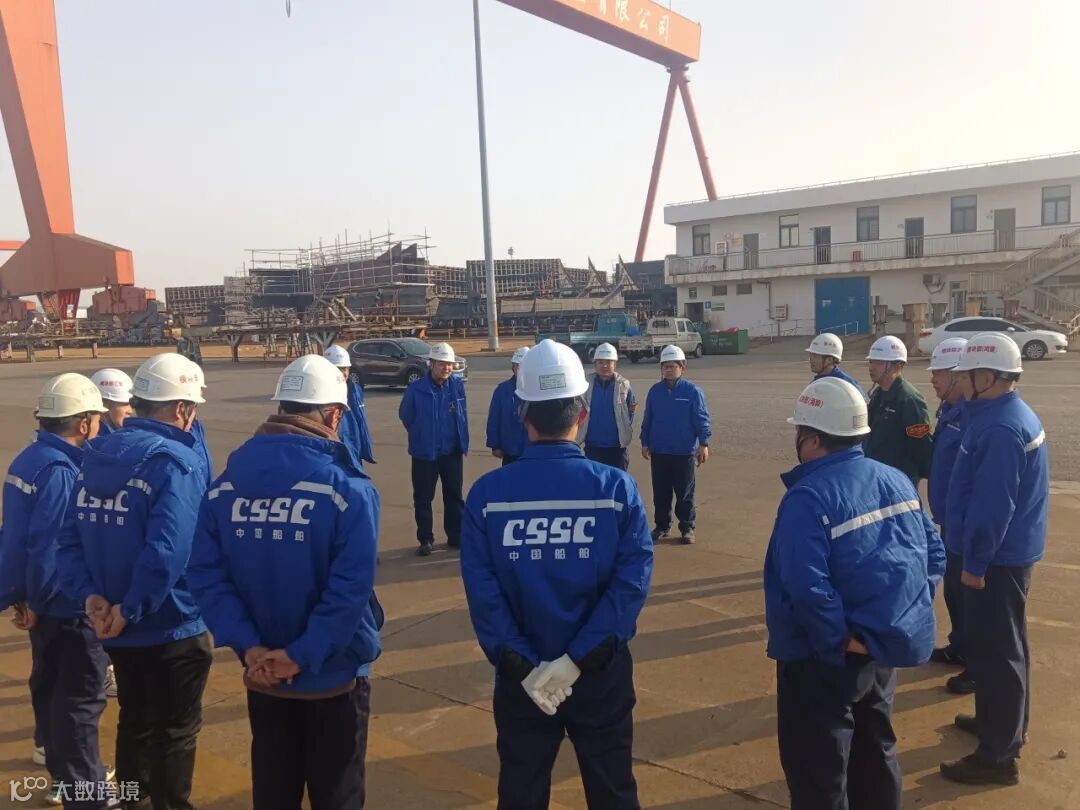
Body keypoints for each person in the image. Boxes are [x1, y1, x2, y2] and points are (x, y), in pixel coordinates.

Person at [460, 339, 653, 810]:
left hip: (522, 681)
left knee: (522, 790)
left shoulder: (488, 496)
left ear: (521, 413)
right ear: (582, 413)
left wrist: (521, 663)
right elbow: (631, 582)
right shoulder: (616, 490)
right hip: (600, 676)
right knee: (612, 790)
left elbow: (484, 593)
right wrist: (581, 656)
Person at [189, 354, 382, 810]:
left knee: (274, 790)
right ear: (333, 415)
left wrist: (251, 646)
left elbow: (207, 576)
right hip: (332, 678)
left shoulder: (224, 488)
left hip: (263, 674)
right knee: (337, 794)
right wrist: (301, 655)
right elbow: (350, 591)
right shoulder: (347, 490)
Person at [764, 376, 944, 810]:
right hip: (878, 650)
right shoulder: (896, 479)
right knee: (876, 753)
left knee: (819, 773)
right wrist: (900, 620)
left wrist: (840, 640)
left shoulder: (808, 497)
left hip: (822, 659)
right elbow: (933, 554)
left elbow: (806, 586)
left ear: (811, 439)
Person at [57, 353, 214, 810]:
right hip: (171, 624)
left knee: (136, 720)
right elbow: (166, 552)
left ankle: (133, 801)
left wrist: (93, 599)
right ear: (183, 409)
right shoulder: (175, 463)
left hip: (114, 627)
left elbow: (67, 541)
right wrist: (131, 608)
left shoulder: (94, 457)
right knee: (176, 730)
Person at [0, 375, 114, 809]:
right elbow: (50, 548)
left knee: (50, 693)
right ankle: (88, 795)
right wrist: (43, 598)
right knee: (80, 706)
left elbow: (16, 539)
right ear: (83, 423)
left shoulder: (28, 460)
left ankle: (64, 780)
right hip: (67, 607)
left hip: (41, 605)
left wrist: (24, 597)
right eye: (97, 419)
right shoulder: (63, 471)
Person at [940, 333, 1048, 786]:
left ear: (987, 377)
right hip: (1005, 555)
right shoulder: (996, 415)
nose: (958, 382)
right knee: (1002, 648)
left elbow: (992, 507)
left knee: (999, 653)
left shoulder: (1001, 429)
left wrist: (975, 565)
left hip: (996, 561)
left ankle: (998, 756)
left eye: (965, 375)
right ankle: (1000, 725)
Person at [924, 338, 975, 695]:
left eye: (939, 372)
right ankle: (960, 646)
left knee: (970, 598)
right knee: (954, 591)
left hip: (965, 525)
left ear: (958, 375)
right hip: (948, 520)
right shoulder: (949, 410)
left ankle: (977, 665)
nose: (933, 379)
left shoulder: (972, 416)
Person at [399, 341, 468, 556]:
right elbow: (406, 416)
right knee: (423, 498)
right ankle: (426, 539)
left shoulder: (457, 386)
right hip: (424, 454)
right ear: (431, 364)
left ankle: (455, 535)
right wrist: (421, 434)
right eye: (442, 364)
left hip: (451, 452)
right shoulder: (416, 389)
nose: (446, 368)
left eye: (449, 364)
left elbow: (461, 414)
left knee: (454, 496)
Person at [639, 345, 711, 544]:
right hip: (659, 451)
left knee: (684, 493)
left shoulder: (692, 392)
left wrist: (704, 443)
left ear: (682, 368)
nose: (668, 370)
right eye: (665, 366)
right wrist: (645, 442)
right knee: (660, 493)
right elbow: (648, 419)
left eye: (673, 366)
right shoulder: (655, 392)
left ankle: (687, 527)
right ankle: (662, 526)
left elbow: (701, 419)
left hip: (683, 452)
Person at [863, 335, 933, 487]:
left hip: (899, 482)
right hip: (876, 476)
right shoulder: (878, 394)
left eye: (878, 362)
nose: (871, 367)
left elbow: (921, 449)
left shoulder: (909, 400)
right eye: (871, 362)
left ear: (896, 365)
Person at [580, 342, 637, 471]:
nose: (605, 366)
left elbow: (630, 412)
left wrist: (623, 431)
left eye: (609, 362)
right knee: (595, 482)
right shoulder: (586, 385)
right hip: (592, 447)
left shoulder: (624, 385)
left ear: (615, 364)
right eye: (601, 362)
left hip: (617, 448)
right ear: (595, 364)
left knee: (618, 481)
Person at [323, 344, 376, 467]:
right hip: (335, 458)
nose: (342, 373)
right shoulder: (320, 396)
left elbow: (360, 421)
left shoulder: (355, 390)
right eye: (337, 369)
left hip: (354, 453)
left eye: (344, 369)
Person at [486, 346, 530, 465]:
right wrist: (494, 445)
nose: (521, 370)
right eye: (518, 366)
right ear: (513, 368)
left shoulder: (538, 390)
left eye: (526, 367)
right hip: (510, 451)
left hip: (532, 451)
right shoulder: (502, 390)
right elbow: (494, 419)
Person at [805, 333, 865, 398]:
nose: (810, 360)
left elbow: (861, 402)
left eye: (815, 357)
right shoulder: (817, 381)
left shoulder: (846, 384)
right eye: (810, 356)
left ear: (829, 360)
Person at [91, 368, 134, 435]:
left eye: (131, 404)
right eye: (125, 404)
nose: (130, 411)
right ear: (104, 404)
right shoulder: (92, 439)